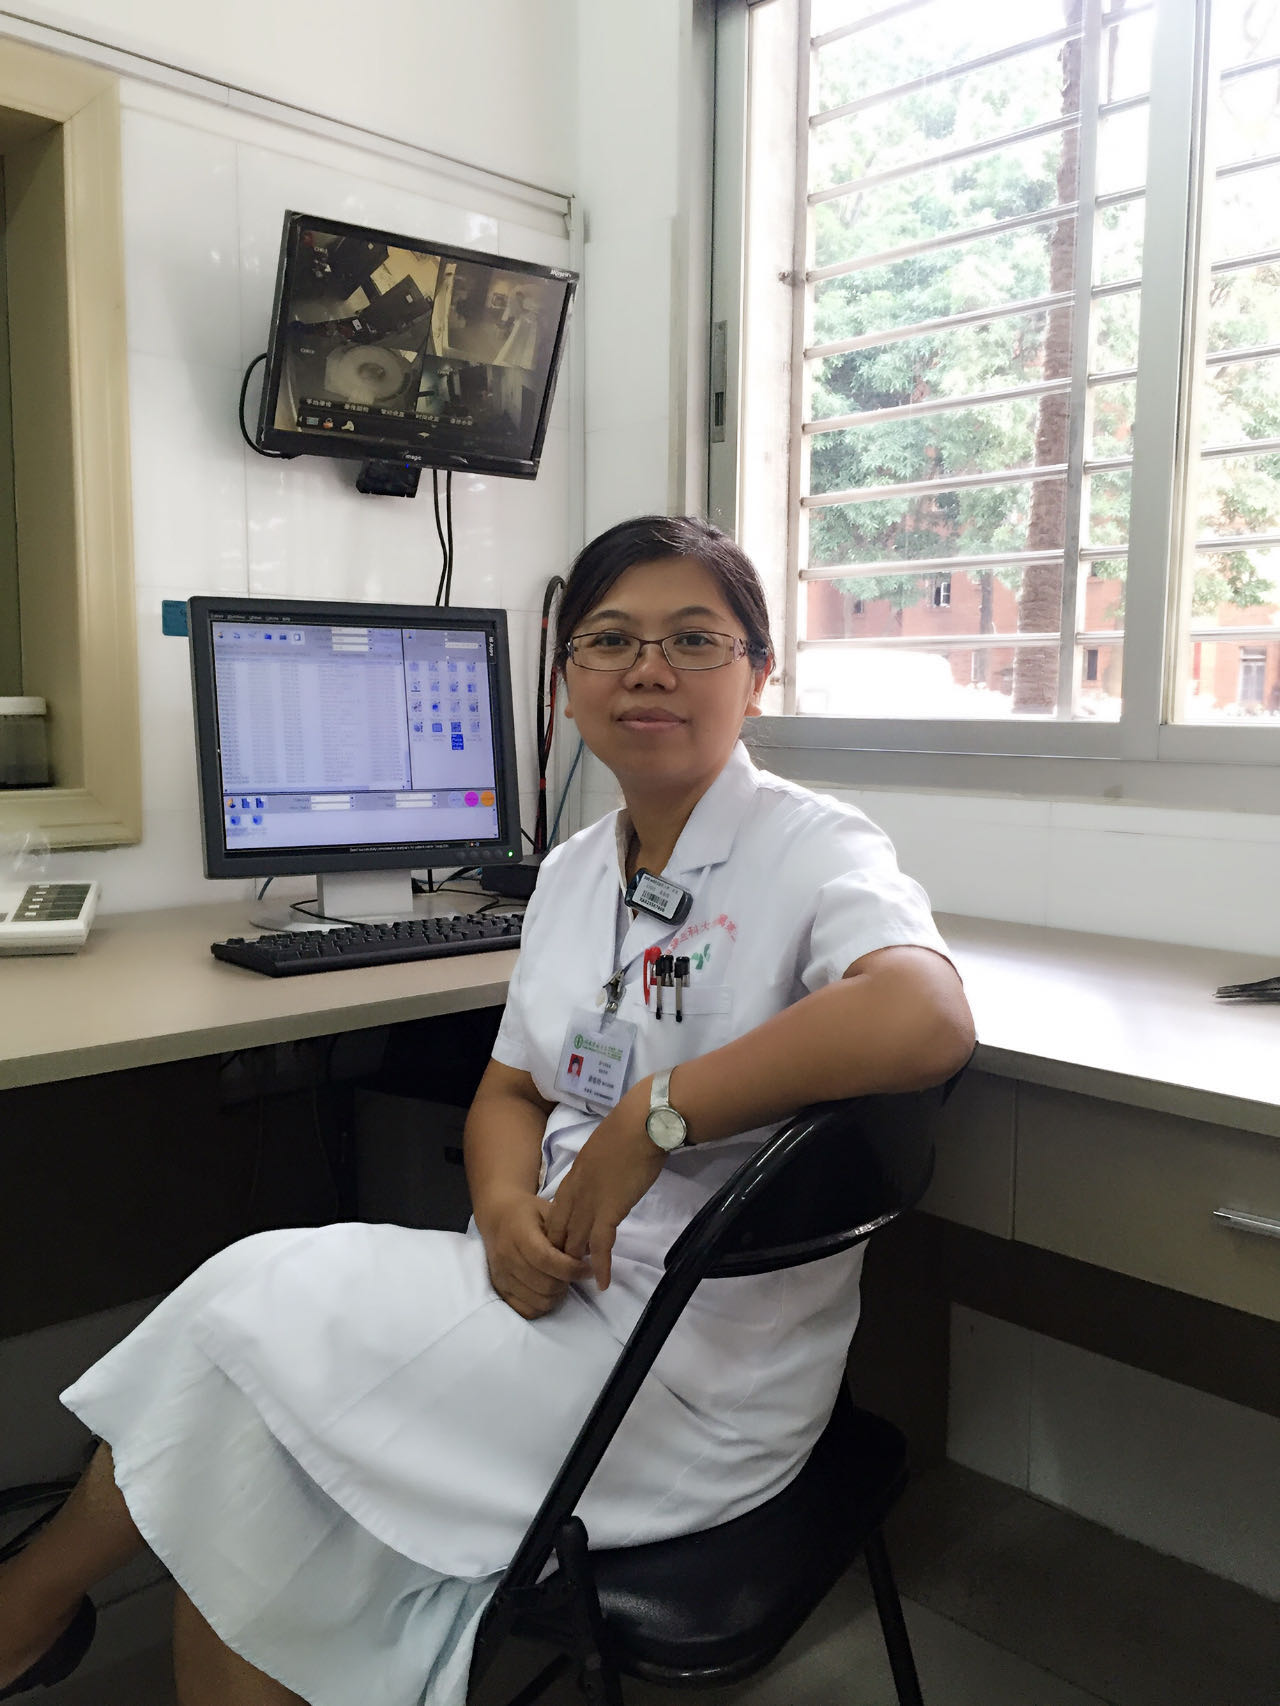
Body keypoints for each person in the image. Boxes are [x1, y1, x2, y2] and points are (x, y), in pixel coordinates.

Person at [0, 515, 973, 1706]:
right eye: (608, 640)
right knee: (249, 1484)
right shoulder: (571, 870)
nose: (646, 669)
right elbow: (511, 1087)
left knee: (244, 1301)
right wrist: (504, 1205)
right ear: (565, 680)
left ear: (757, 674)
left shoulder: (811, 847)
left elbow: (924, 1015)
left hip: (687, 1376)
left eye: (691, 639)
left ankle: (21, 1612)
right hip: (539, 1296)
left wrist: (654, 1113)